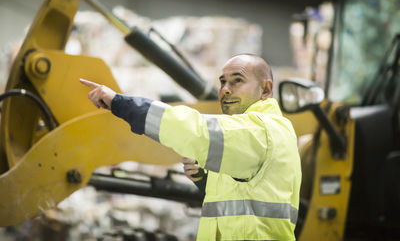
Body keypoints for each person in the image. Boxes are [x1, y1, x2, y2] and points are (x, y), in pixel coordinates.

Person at [80, 53, 301, 240]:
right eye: (222, 82)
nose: (225, 89)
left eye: (237, 81)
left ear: (265, 89)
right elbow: (240, 203)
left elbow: (191, 129)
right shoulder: (248, 135)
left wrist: (121, 103)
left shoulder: (261, 131)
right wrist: (203, 180)